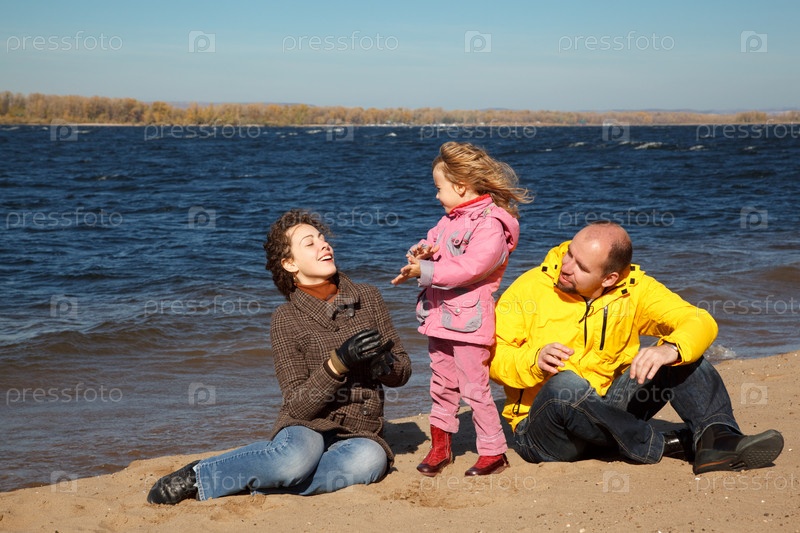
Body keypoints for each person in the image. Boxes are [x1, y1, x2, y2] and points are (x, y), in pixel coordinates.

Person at [147, 210, 412, 504]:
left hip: (359, 430)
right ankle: (198, 476)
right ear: (289, 264)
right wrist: (338, 363)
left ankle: (255, 482)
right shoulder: (285, 318)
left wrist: (384, 366)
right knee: (294, 462)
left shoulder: (369, 297)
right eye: (309, 243)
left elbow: (402, 372)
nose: (324, 246)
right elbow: (298, 405)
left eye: (323, 240)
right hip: (309, 423)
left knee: (370, 463)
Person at [490, 221, 784, 474]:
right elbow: (490, 358)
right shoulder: (529, 288)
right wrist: (533, 359)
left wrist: (670, 349)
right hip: (544, 431)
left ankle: (717, 439)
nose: (565, 267)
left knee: (683, 356)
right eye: (569, 253)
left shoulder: (634, 289)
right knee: (565, 385)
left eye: (581, 266)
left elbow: (698, 320)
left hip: (609, 410)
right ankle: (662, 444)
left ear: (609, 278)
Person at [391, 141, 532, 477]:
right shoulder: (448, 220)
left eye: (439, 188)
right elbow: (434, 245)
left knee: (474, 388)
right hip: (439, 318)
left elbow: (472, 267)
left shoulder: (491, 225)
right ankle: (441, 445)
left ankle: (494, 450)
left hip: (469, 321)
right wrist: (421, 254)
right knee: (441, 383)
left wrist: (425, 271)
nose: (437, 195)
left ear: (460, 186)